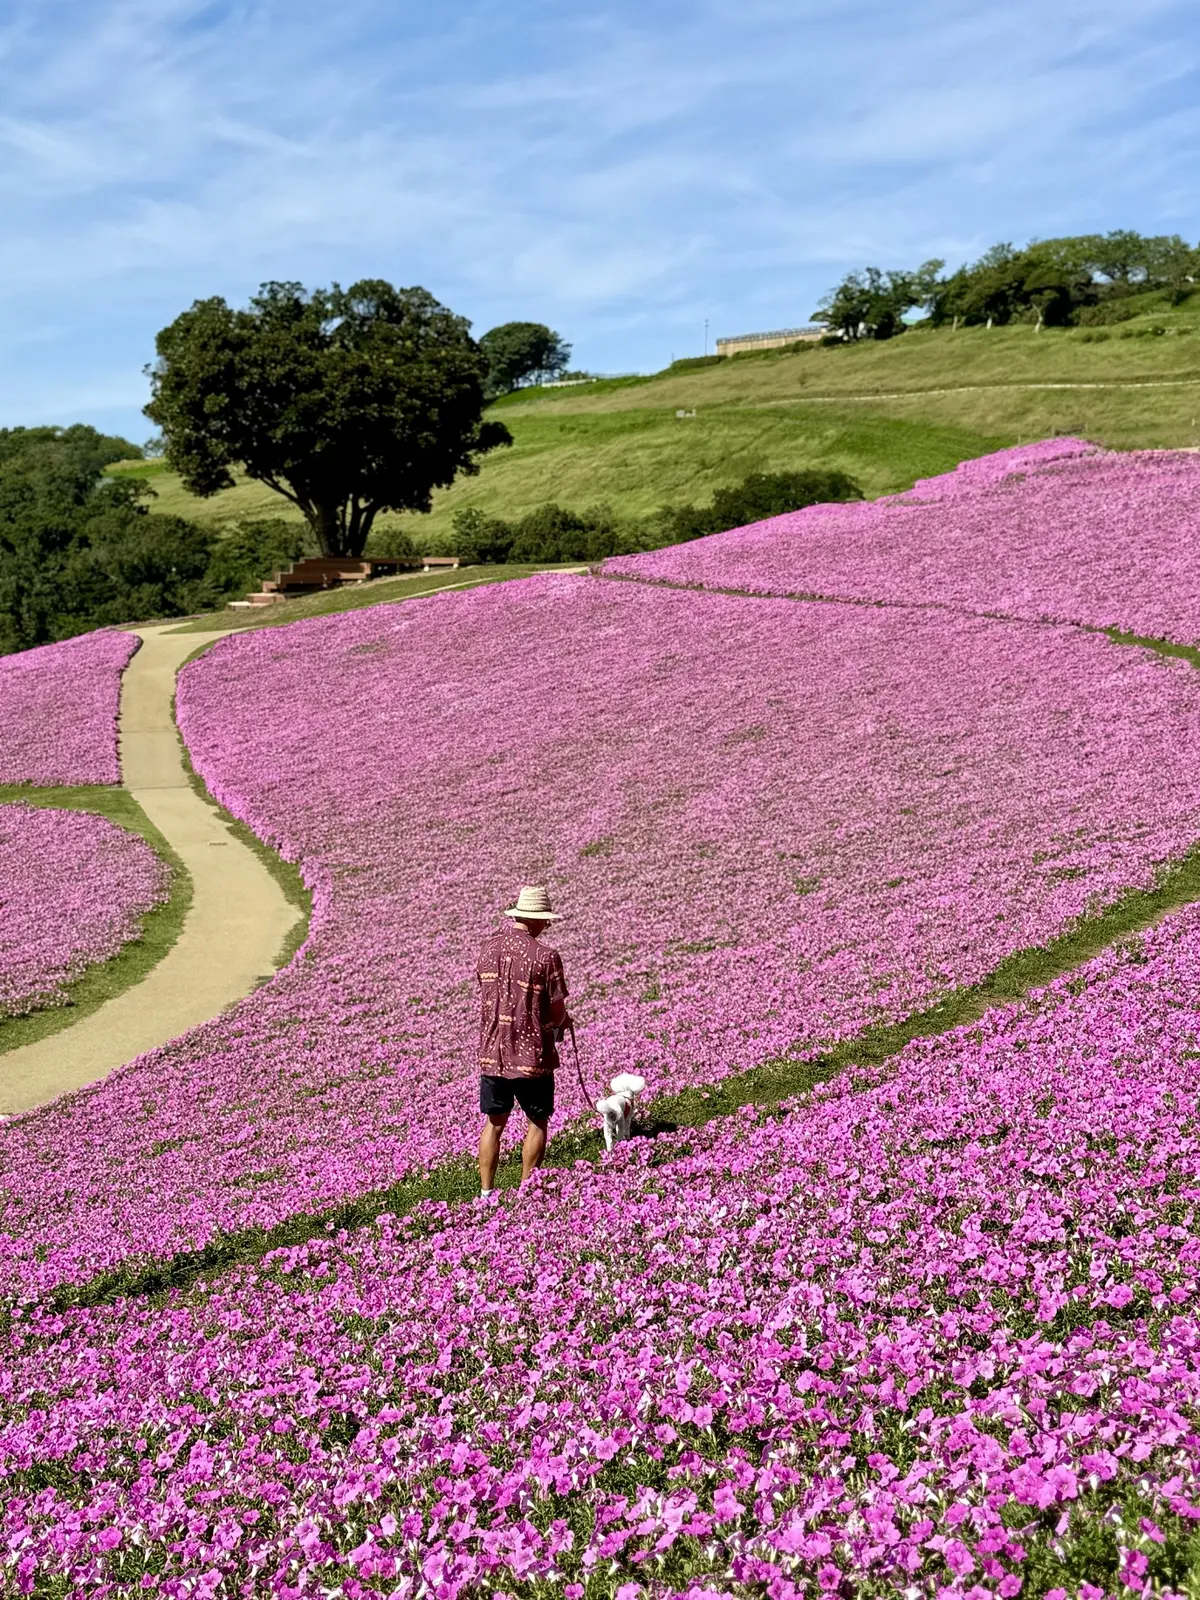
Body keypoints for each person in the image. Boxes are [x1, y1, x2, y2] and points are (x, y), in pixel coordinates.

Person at [476, 883, 570, 1194]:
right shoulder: (545, 956)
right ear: (535, 919)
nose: (548, 924)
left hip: (494, 1052)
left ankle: (486, 1194)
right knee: (538, 1121)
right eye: (546, 919)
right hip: (532, 1055)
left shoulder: (488, 949)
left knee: (495, 1123)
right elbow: (557, 1012)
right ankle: (526, 1192)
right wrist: (563, 1021)